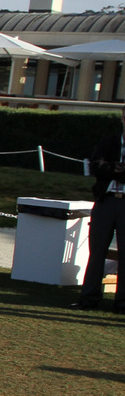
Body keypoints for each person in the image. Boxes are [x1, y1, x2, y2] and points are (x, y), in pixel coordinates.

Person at [72, 105, 125, 312]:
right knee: (96, 252)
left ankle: (121, 304)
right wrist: (119, 169)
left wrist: (112, 170)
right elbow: (96, 166)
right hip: (106, 202)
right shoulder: (109, 142)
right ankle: (89, 299)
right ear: (122, 119)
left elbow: (106, 169)